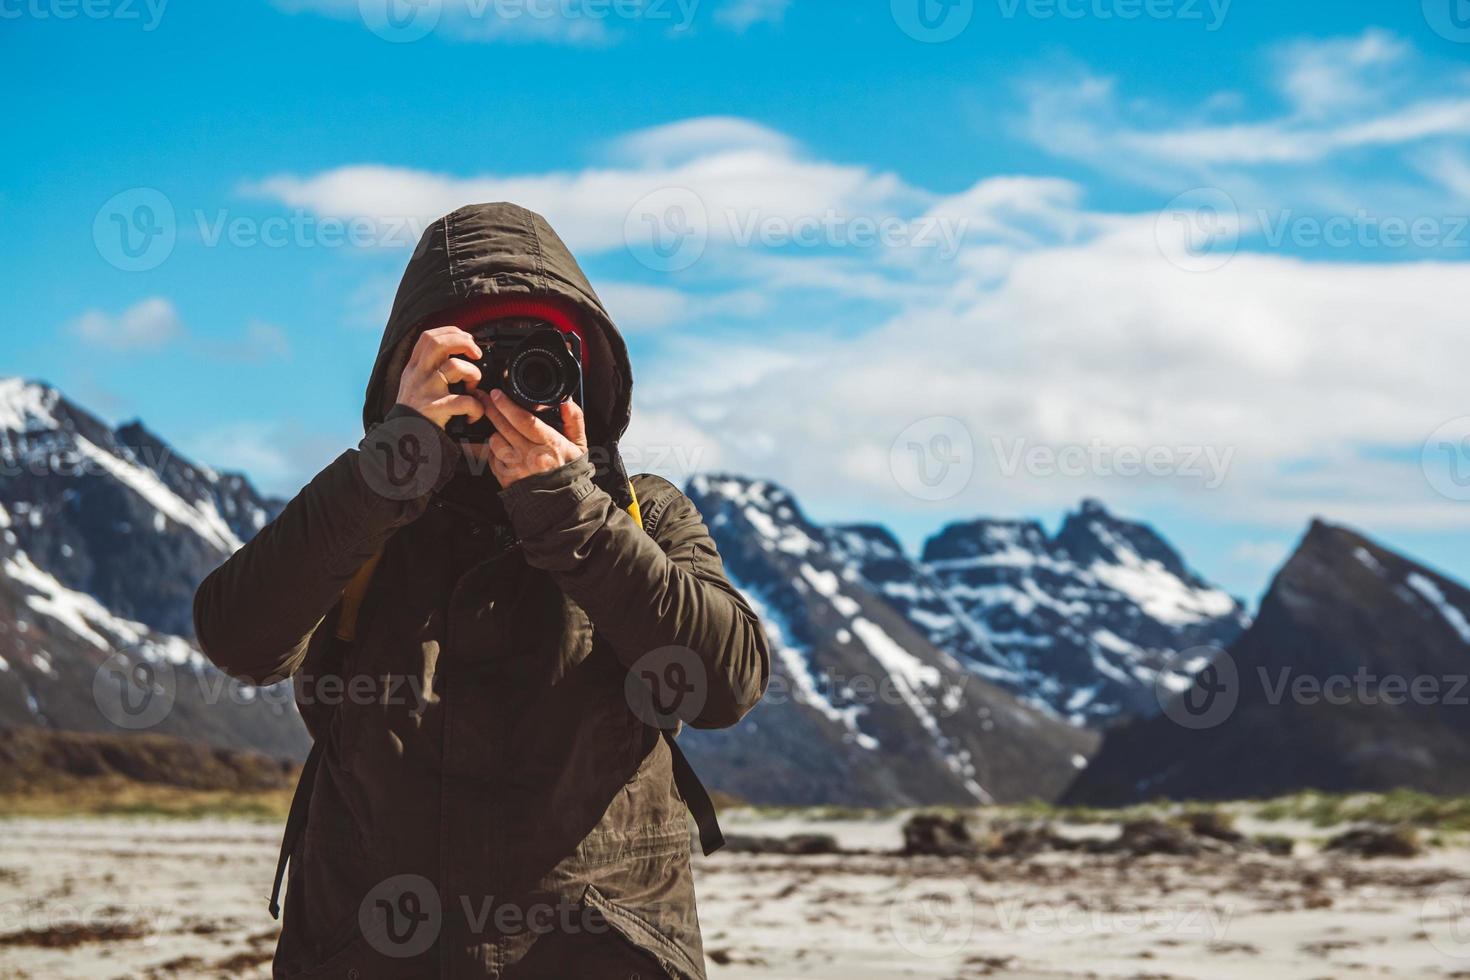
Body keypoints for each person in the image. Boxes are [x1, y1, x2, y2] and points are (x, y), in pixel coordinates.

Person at [193, 202, 771, 979]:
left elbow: (726, 684)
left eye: (538, 359)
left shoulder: (646, 512)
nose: (507, 385)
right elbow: (240, 639)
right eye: (474, 359)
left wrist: (573, 513)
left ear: (585, 371)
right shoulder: (365, 512)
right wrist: (391, 464)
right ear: (411, 368)